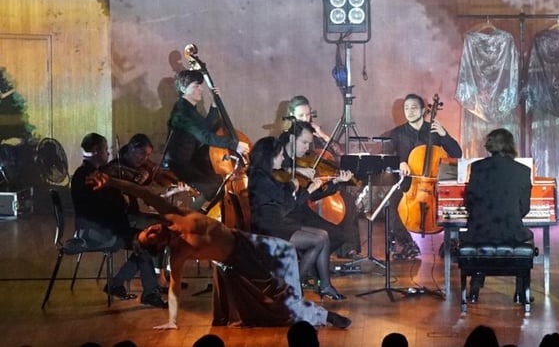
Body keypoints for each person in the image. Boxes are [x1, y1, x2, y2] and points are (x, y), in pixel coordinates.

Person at [85, 169, 351, 330]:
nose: (153, 230)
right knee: (283, 304)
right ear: (159, 245)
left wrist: (111, 182)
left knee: (288, 252)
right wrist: (172, 320)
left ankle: (301, 304)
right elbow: (175, 289)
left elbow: (143, 193)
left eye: (148, 230)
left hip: (247, 242)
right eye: (151, 237)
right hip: (241, 262)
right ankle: (320, 315)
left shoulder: (173, 214)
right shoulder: (180, 253)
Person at [69, 132, 167, 308]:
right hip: (97, 231)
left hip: (104, 227)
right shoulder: (90, 176)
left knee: (149, 240)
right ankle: (146, 291)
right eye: (106, 149)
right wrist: (122, 198)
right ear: (97, 150)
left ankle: (119, 285)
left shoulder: (90, 173)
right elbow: (103, 207)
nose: (108, 153)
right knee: (148, 240)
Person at [247, 136, 346, 300]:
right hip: (268, 228)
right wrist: (302, 188)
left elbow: (285, 200)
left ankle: (325, 286)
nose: (284, 158)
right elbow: (288, 204)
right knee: (319, 240)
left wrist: (299, 187)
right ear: (270, 156)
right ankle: (291, 285)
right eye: (280, 155)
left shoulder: (265, 175)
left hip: (277, 222)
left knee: (324, 235)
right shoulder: (259, 177)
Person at [383, 93, 463, 260]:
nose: (409, 112)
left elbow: (457, 153)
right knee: (391, 203)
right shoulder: (397, 133)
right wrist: (399, 163)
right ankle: (407, 244)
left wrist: (444, 135)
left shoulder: (434, 131)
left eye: (413, 108)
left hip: (432, 182)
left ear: (422, 110)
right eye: (406, 108)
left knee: (454, 201)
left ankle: (450, 244)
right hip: (408, 182)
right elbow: (386, 156)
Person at [462, 128, 533, 302]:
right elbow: (524, 208)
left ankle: (474, 288)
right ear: (511, 146)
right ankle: (521, 292)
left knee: (480, 236)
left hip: (479, 233)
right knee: (526, 235)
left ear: (490, 145)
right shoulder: (522, 171)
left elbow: (469, 203)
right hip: (511, 233)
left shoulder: (477, 168)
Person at [164, 69, 250, 203]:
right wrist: (235, 144)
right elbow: (205, 136)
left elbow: (205, 127)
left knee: (218, 181)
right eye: (196, 86)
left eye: (201, 86)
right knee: (215, 188)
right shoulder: (182, 112)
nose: (201, 89)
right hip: (179, 162)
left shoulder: (189, 109)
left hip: (190, 158)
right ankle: (190, 215)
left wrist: (214, 106)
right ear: (183, 88)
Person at [279, 119, 361, 258]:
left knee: (340, 236)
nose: (307, 148)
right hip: (285, 214)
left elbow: (313, 196)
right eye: (304, 143)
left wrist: (336, 180)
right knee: (324, 236)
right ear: (292, 138)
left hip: (302, 212)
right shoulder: (278, 156)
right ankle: (309, 268)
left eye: (309, 144)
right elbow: (269, 170)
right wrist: (298, 170)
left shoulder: (302, 159)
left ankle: (310, 265)